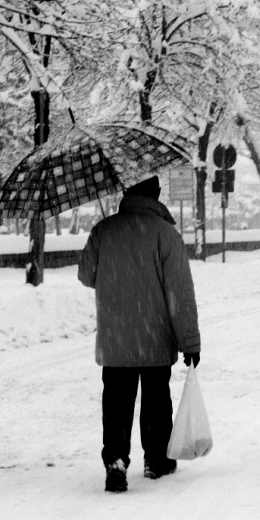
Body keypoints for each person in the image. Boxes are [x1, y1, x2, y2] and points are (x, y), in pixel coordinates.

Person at [78, 175, 201, 493]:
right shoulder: (165, 234)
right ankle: (157, 459)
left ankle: (116, 459)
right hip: (154, 335)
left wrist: (115, 278)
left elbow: (86, 275)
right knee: (156, 400)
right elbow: (180, 294)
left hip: (116, 336)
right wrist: (189, 342)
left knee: (116, 401)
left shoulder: (104, 230)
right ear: (156, 195)